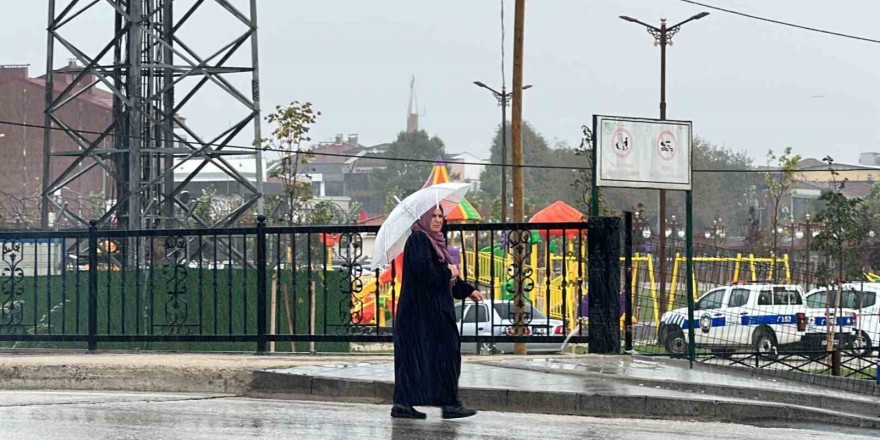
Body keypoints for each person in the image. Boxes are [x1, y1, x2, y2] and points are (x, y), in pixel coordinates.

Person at [391, 206, 484, 419]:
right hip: (419, 316)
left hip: (433, 315)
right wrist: (448, 271)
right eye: (432, 216)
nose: (437, 220)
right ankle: (411, 404)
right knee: (419, 359)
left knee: (439, 357)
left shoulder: (435, 243)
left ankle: (437, 403)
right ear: (423, 218)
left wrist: (469, 290)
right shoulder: (418, 241)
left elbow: (446, 280)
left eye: (440, 216)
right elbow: (427, 274)